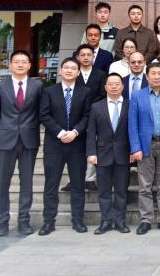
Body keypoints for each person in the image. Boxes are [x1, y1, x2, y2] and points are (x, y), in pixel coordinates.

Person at [0, 50, 44, 237]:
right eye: (17, 62)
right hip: (6, 140)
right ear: (10, 65)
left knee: (26, 182)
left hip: (29, 139)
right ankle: (2, 221)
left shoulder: (37, 86)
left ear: (29, 65)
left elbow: (40, 112)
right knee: (2, 182)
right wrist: (6, 129)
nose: (20, 65)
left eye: (24, 62)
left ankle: (24, 220)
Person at [38, 57, 91, 235]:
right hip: (55, 144)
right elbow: (44, 115)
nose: (69, 70)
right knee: (51, 185)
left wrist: (75, 132)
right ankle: (48, 222)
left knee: (78, 185)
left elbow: (87, 116)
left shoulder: (85, 92)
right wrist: (60, 133)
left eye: (73, 68)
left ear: (78, 72)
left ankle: (78, 220)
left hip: (77, 144)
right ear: (60, 71)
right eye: (66, 67)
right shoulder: (49, 91)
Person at [128, 62, 160, 235]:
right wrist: (135, 147)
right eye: (153, 73)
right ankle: (146, 220)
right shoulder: (137, 95)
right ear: (147, 76)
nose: (156, 76)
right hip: (145, 145)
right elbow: (132, 123)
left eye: (159, 73)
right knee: (145, 186)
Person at [86, 73, 132, 234]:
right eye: (110, 84)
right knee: (104, 191)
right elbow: (91, 131)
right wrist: (91, 152)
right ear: (105, 87)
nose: (114, 86)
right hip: (102, 154)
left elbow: (133, 130)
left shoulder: (130, 105)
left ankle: (120, 221)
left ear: (122, 86)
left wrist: (134, 150)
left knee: (121, 191)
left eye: (117, 84)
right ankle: (106, 221)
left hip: (123, 154)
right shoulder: (96, 107)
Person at [75, 44, 107, 193]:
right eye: (83, 55)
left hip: (95, 114)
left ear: (94, 57)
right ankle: (74, 179)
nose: (86, 57)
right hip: (76, 115)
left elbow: (103, 94)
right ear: (78, 57)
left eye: (89, 55)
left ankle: (90, 179)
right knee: (76, 148)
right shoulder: (73, 73)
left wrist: (91, 107)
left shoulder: (101, 74)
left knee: (93, 145)